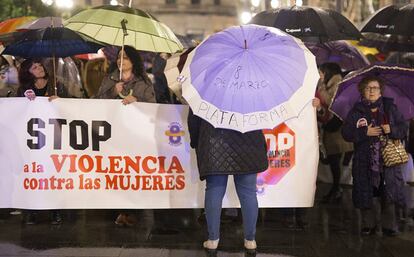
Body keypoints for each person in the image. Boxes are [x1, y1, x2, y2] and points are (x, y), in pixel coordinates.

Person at [187, 110, 268, 251]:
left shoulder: (204, 87)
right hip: (248, 143)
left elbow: (194, 119)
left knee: (214, 190)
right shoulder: (251, 89)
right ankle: (250, 240)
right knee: (248, 193)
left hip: (213, 142)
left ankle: (213, 240)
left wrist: (196, 141)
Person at [95, 45, 156, 226]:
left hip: (136, 136)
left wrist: (138, 101)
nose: (122, 60)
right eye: (120, 57)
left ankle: (132, 210)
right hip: (113, 135)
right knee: (116, 170)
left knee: (132, 171)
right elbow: (96, 102)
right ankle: (120, 210)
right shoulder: (110, 79)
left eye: (126, 58)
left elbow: (153, 105)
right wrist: (113, 91)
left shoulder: (143, 82)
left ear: (134, 61)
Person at [342, 75, 407, 236]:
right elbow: (346, 133)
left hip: (387, 159)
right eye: (368, 88)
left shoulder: (389, 107)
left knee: (388, 194)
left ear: (380, 91)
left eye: (375, 88)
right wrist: (365, 132)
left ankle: (389, 226)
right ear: (362, 91)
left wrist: (390, 129)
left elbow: (403, 128)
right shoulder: (356, 110)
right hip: (364, 159)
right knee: (366, 192)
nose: (371, 91)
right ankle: (369, 225)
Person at [17, 58, 66, 225]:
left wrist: (60, 99)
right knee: (32, 174)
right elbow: (17, 111)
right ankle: (31, 210)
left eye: (40, 65)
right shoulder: (23, 90)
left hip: (54, 136)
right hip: (32, 140)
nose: (39, 69)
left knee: (53, 173)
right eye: (34, 68)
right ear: (27, 73)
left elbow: (72, 102)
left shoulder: (57, 84)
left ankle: (55, 210)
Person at [316, 63, 353, 203]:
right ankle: (336, 188)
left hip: (337, 128)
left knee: (333, 159)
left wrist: (321, 88)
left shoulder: (336, 83)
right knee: (332, 159)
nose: (319, 75)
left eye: (321, 72)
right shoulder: (330, 84)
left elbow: (332, 103)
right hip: (331, 126)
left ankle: (336, 189)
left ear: (328, 72)